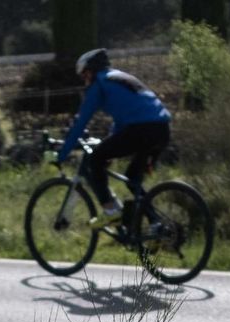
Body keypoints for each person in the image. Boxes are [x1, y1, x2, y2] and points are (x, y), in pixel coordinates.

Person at [56, 48, 172, 229]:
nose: (85, 80)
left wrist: (61, 155)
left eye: (84, 74)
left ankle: (111, 212)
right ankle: (157, 224)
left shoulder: (99, 85)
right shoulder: (120, 78)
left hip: (140, 130)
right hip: (162, 129)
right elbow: (122, 121)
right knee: (132, 178)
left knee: (95, 159)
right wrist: (110, 146)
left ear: (92, 70)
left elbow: (80, 123)